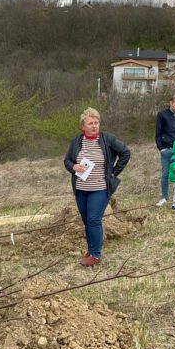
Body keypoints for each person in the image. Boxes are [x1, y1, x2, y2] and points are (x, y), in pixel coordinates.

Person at [64, 107, 131, 267]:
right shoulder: (76, 141)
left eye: (96, 122)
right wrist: (74, 167)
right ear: (83, 126)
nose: (94, 126)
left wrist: (114, 172)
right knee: (87, 220)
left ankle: (95, 254)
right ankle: (91, 249)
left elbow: (125, 152)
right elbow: (67, 161)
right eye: (90, 123)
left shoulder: (108, 139)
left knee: (94, 219)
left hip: (100, 187)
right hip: (81, 188)